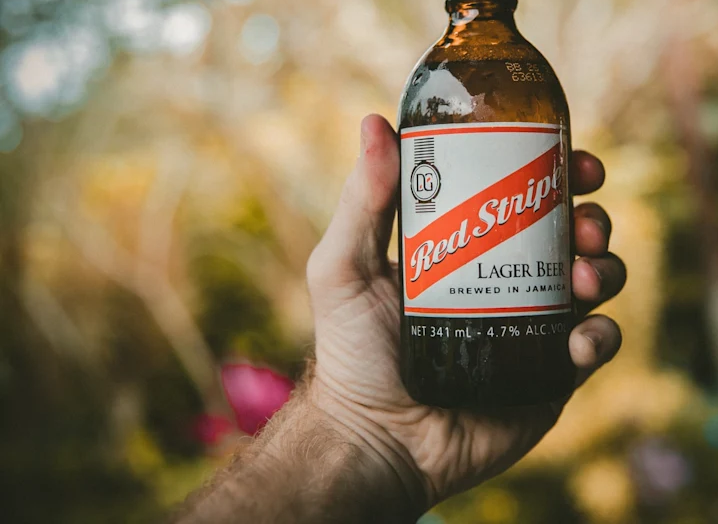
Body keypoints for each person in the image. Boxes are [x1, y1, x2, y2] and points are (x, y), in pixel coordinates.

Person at [177, 115, 627, 523]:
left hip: (511, 368)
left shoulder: (458, 80)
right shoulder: (435, 81)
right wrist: (353, 422)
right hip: (420, 380)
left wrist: (361, 432)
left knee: (581, 264)